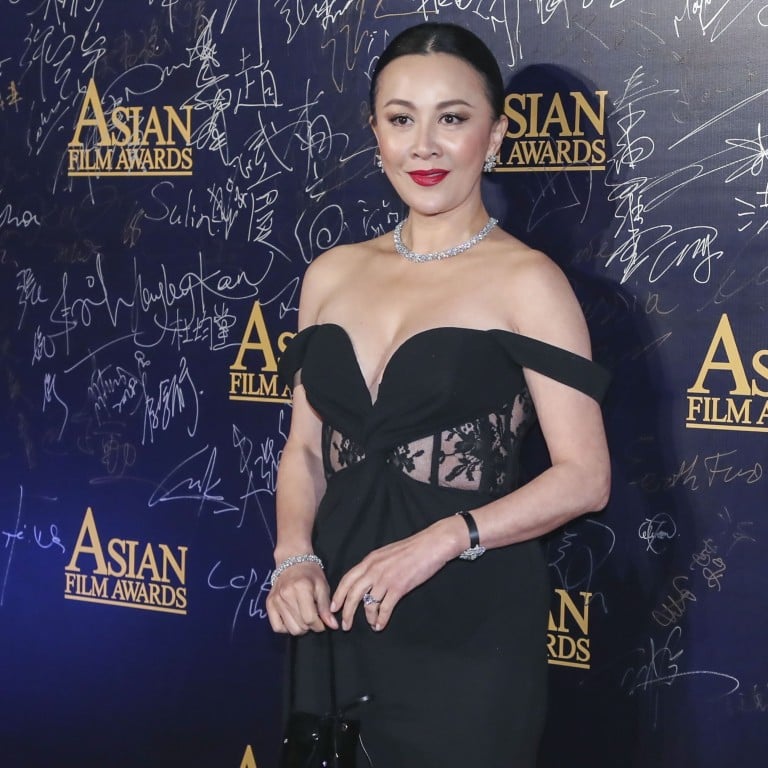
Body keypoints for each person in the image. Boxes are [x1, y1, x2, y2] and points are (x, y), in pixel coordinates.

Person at [265, 21, 610, 768]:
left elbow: (585, 477)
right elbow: (302, 450)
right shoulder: (330, 274)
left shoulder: (528, 281)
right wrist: (293, 556)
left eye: (452, 118)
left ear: (495, 135)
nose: (423, 146)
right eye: (400, 119)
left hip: (467, 626)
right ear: (377, 133)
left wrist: (447, 538)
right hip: (334, 615)